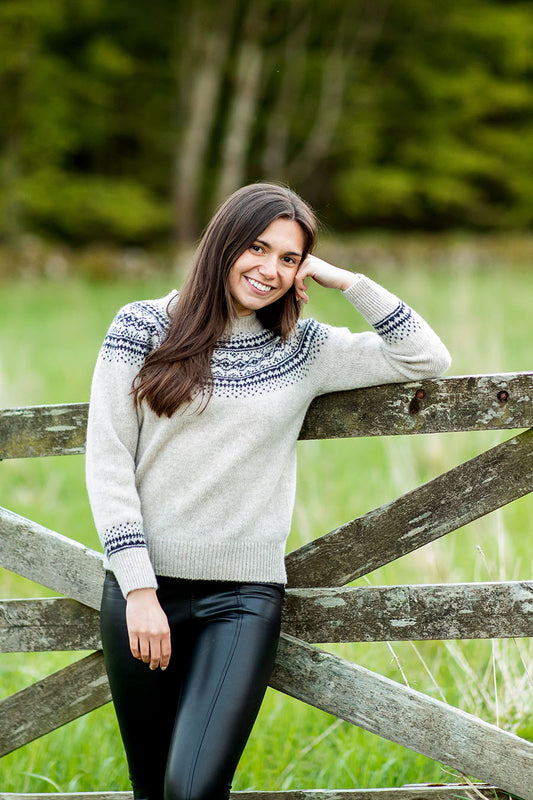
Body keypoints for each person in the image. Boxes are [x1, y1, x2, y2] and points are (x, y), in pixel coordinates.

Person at [85, 182, 451, 800]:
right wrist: (140, 589)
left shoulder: (304, 348)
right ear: (223, 244)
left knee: (192, 789)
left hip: (242, 599)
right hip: (143, 595)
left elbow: (425, 358)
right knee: (154, 789)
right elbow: (108, 461)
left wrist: (344, 281)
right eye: (257, 248)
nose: (271, 270)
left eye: (290, 258)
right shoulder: (141, 327)